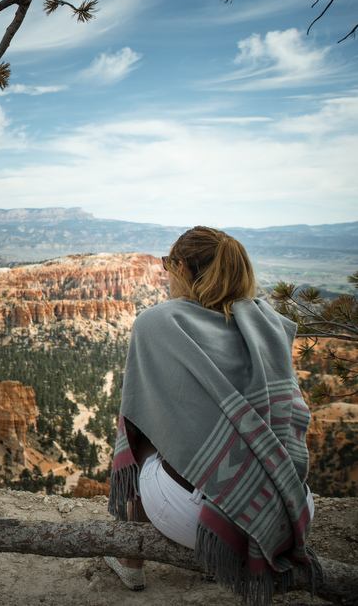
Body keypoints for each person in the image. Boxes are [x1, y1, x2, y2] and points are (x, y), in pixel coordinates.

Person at [106, 226, 319, 604]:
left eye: (169, 265)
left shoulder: (158, 323)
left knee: (143, 432)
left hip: (193, 519)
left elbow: (138, 425)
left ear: (184, 269)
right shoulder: (269, 325)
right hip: (291, 505)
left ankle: (130, 561)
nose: (166, 274)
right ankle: (229, 536)